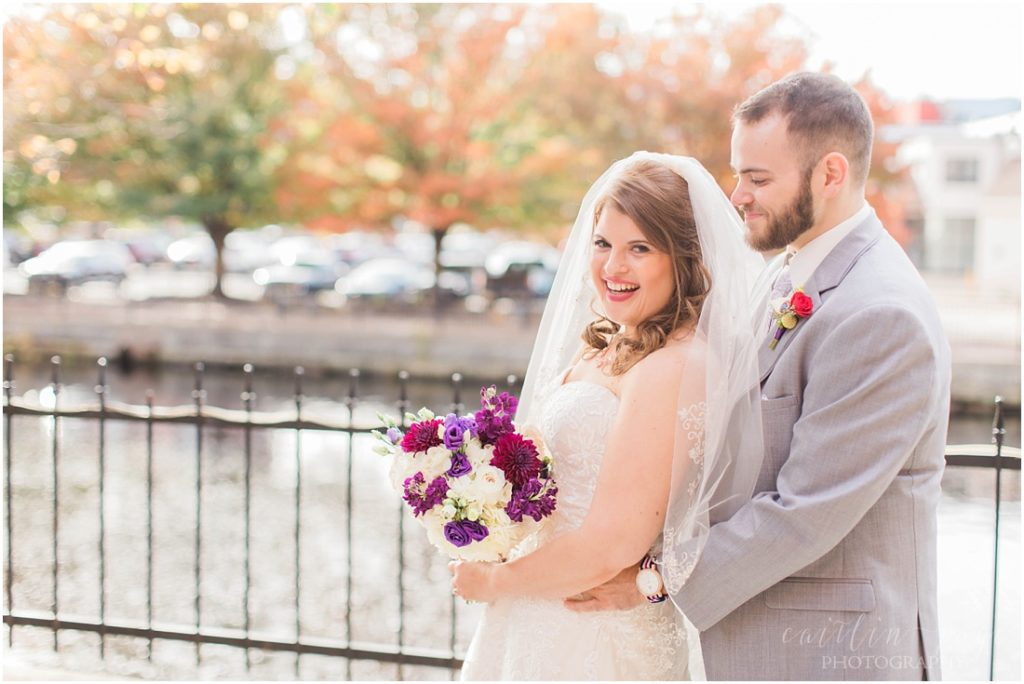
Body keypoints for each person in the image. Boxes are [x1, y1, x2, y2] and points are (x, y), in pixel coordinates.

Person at [566, 73, 952, 681]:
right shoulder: (787, 273)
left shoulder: (880, 314)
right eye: (738, 172)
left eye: (758, 178)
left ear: (830, 174)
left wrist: (653, 579)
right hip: (760, 639)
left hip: (829, 656)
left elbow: (806, 510)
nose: (737, 195)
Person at [449, 153, 766, 680]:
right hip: (536, 614)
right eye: (603, 244)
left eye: (639, 248)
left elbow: (611, 545)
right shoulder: (608, 345)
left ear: (684, 259)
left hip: (593, 639)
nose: (612, 267)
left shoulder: (675, 365)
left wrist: (493, 583)